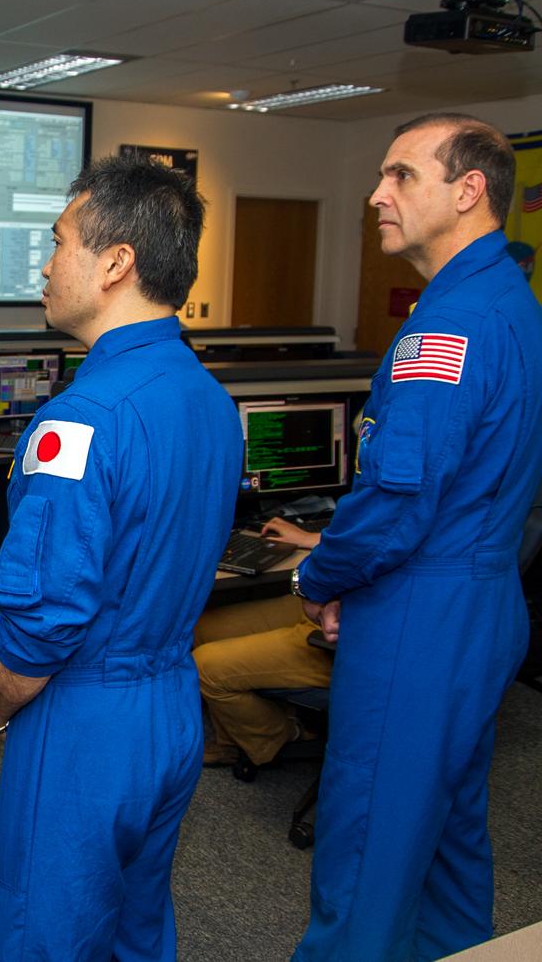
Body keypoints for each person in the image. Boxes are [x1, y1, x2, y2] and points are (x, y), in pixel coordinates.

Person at [0, 155, 242, 961]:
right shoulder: (210, 398)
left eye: (58, 243)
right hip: (172, 706)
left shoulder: (80, 420)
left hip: (86, 720)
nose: (47, 265)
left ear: (116, 261)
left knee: (44, 936)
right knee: (134, 927)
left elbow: (42, 625)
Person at [291, 113, 542, 961]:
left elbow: (399, 500)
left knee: (368, 850)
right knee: (444, 842)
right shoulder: (510, 295)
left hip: (421, 617)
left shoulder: (448, 327)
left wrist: (320, 576)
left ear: (469, 190)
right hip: (483, 600)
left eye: (400, 175)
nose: (375, 195)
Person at [193, 519, 332, 768]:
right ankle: (232, 739)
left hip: (346, 632)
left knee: (205, 666)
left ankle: (285, 735)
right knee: (201, 628)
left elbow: (367, 553)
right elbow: (366, 539)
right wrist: (310, 538)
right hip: (323, 602)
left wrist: (309, 585)